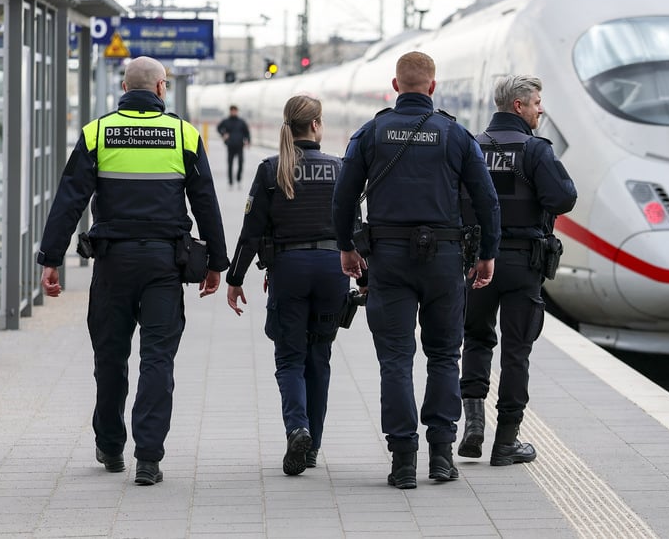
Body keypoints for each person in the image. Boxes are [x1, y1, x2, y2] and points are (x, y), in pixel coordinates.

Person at [36, 56, 229, 486]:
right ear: (162, 89)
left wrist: (51, 257)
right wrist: (217, 262)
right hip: (164, 264)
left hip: (112, 264)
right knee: (157, 358)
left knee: (110, 357)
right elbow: (206, 202)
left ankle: (109, 446)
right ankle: (148, 458)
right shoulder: (184, 134)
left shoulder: (98, 132)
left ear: (124, 87)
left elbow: (69, 200)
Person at [332, 51, 500, 489]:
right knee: (444, 356)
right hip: (445, 261)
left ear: (395, 85)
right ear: (432, 86)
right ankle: (441, 458)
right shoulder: (456, 135)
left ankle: (403, 461)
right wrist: (487, 253)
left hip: (387, 260)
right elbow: (487, 201)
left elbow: (343, 198)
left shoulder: (370, 133)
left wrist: (347, 248)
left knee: (395, 360)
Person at [225, 95, 350, 476]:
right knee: (320, 357)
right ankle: (312, 449)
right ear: (315, 126)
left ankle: (298, 429)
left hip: (289, 270)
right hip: (332, 270)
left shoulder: (271, 170)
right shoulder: (340, 168)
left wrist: (235, 278)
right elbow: (355, 227)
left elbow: (251, 233)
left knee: (290, 358)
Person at [458, 74, 577, 466]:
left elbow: (457, 203)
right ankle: (506, 441)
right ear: (518, 106)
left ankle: (473, 425)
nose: (541, 109)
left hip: (478, 262)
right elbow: (563, 197)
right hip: (523, 263)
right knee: (516, 351)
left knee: (476, 340)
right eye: (537, 102)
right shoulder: (536, 151)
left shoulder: (471, 147)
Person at [217, 105, 251, 188]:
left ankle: (239, 179)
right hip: (230, 145)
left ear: (237, 111)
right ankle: (231, 182)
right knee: (230, 164)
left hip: (240, 145)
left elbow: (247, 132)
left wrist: (248, 141)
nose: (233, 112)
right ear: (230, 111)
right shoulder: (226, 121)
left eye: (235, 110)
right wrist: (223, 134)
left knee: (240, 163)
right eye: (232, 110)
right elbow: (218, 128)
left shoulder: (241, 122)